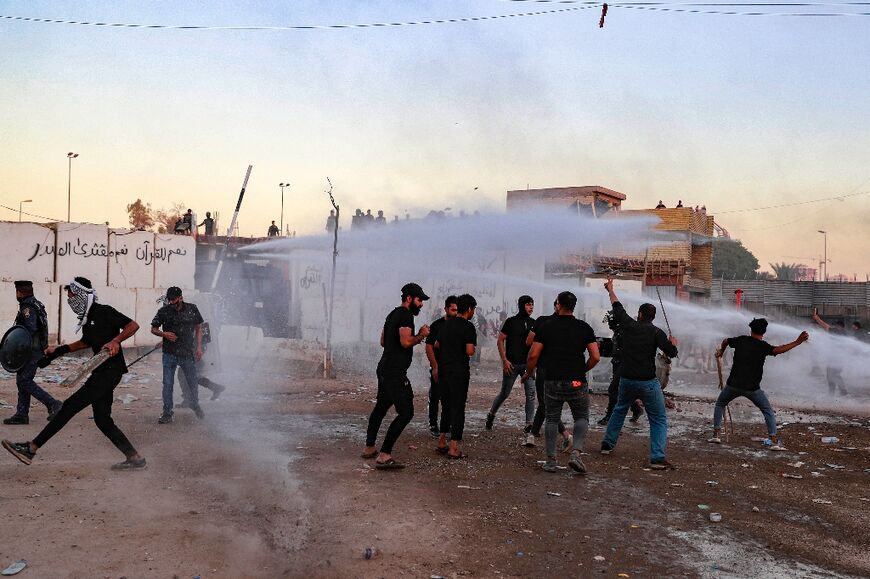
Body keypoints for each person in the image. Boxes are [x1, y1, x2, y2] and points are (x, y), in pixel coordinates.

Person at [2, 277, 146, 470]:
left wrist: (116, 341)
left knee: (68, 408)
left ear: (81, 295)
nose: (70, 299)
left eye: (71, 295)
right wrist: (57, 352)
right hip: (102, 370)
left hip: (109, 371)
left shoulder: (104, 311)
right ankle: (135, 458)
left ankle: (31, 448)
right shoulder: (87, 321)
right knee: (103, 420)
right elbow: (86, 342)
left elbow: (133, 326)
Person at [600, 278, 679, 469]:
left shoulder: (628, 325)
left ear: (640, 315)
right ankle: (657, 458)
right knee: (658, 419)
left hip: (627, 379)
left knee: (619, 410)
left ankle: (607, 445)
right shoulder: (656, 332)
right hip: (647, 381)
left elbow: (617, 306)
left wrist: (610, 289)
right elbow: (672, 353)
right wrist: (673, 343)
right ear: (652, 317)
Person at [522, 291, 599, 474]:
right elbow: (595, 356)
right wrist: (582, 370)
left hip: (552, 380)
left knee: (551, 419)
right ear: (574, 306)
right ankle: (576, 454)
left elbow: (533, 354)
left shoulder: (546, 326)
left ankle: (550, 461)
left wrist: (529, 372)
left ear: (558, 304)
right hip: (576, 381)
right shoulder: (584, 327)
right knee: (581, 417)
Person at [709, 319, 808, 450]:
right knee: (767, 410)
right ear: (764, 332)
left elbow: (726, 341)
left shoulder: (741, 340)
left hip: (733, 385)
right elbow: (779, 350)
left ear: (751, 330)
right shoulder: (763, 346)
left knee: (720, 404)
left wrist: (721, 351)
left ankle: (716, 434)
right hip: (752, 389)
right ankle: (773, 440)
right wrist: (798, 342)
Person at [362, 283, 431, 469]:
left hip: (384, 368)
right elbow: (406, 342)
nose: (421, 304)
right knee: (406, 412)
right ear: (409, 298)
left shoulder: (392, 314)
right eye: (419, 300)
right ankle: (384, 454)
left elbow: (383, 341)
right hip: (394, 372)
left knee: (381, 407)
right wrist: (421, 335)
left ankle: (369, 448)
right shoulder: (406, 315)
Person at [3, 281, 62, 425]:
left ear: (20, 293)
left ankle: (53, 404)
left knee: (24, 381)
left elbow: (29, 329)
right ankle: (21, 414)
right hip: (33, 350)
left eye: (16, 292)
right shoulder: (37, 304)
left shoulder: (27, 307)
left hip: (30, 351)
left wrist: (20, 348)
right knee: (22, 381)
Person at [486, 296, 536, 443]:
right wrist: (504, 361)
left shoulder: (534, 323)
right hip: (512, 365)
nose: (531, 307)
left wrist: (533, 365)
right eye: (528, 305)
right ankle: (491, 414)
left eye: (532, 305)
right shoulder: (511, 321)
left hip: (528, 366)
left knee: (531, 395)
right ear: (521, 306)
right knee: (504, 393)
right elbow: (500, 340)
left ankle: (529, 425)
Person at [151, 286, 205, 423]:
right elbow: (153, 328)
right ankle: (167, 413)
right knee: (168, 384)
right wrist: (164, 334)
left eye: (174, 300)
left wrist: (199, 347)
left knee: (192, 381)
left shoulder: (192, 309)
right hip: (169, 354)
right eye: (169, 300)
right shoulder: (163, 311)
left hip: (187, 353)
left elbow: (199, 328)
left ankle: (195, 404)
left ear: (181, 298)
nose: (171, 303)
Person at [522, 300, 571, 450]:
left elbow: (529, 341)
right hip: (558, 369)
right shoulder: (569, 326)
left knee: (546, 404)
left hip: (545, 368)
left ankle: (564, 434)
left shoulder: (543, 321)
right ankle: (534, 434)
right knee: (546, 403)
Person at [434, 294, 477, 460]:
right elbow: (469, 351)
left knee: (446, 405)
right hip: (459, 372)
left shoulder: (446, 324)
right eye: (473, 309)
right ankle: (454, 447)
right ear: (469, 309)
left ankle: (442, 441)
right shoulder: (468, 327)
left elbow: (437, 344)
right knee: (458, 407)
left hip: (444, 369)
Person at [597, 308, 643, 426]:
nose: (609, 326)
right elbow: (614, 348)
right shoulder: (619, 331)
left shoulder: (625, 332)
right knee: (623, 390)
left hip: (624, 365)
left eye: (610, 323)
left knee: (613, 390)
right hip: (618, 363)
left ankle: (609, 416)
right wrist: (601, 344)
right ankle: (636, 409)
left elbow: (623, 349)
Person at [424, 296, 459, 437]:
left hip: (453, 369)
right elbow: (429, 347)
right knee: (435, 397)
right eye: (453, 309)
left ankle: (447, 424)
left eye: (457, 310)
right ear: (446, 309)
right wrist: (435, 366)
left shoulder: (458, 325)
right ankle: (433, 424)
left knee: (450, 398)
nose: (455, 312)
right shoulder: (437, 325)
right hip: (439, 367)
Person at [811, 308, 848, 395]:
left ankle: (834, 393)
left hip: (835, 359)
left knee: (831, 375)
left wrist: (817, 318)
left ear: (840, 326)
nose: (834, 326)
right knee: (835, 375)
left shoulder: (836, 332)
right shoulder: (845, 334)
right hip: (839, 359)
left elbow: (825, 326)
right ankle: (842, 391)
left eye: (836, 325)